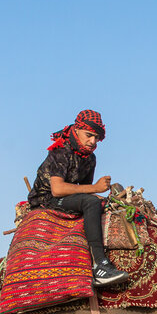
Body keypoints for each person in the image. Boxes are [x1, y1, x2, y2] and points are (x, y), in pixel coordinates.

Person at [27, 109, 127, 288]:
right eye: (89, 135)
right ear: (76, 130)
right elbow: (57, 189)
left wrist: (101, 195)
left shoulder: (90, 158)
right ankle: (100, 265)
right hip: (46, 200)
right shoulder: (60, 151)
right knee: (92, 202)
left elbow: (83, 190)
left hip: (69, 198)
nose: (93, 141)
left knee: (101, 203)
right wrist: (96, 189)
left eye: (96, 138)